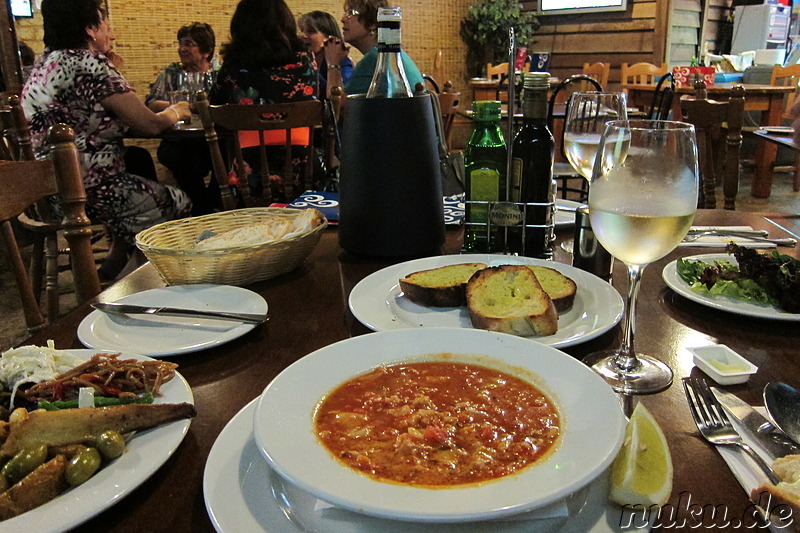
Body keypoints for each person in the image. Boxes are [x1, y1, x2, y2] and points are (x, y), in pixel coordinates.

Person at [22, 0, 193, 280]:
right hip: (80, 191)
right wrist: (176, 110)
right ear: (90, 29)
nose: (111, 34)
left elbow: (91, 117)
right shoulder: (87, 64)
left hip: (45, 190)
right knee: (177, 200)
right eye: (106, 26)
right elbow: (149, 124)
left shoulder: (46, 62)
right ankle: (122, 289)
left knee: (135, 159)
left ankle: (114, 261)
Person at [209, 0, 317, 202]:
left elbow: (214, 107)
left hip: (249, 171)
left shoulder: (234, 65)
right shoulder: (306, 60)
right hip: (305, 168)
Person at [146, 22, 218, 215]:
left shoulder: (219, 73)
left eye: (188, 44)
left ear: (206, 51)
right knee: (176, 157)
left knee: (227, 157)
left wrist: (188, 106)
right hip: (180, 139)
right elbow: (153, 103)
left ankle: (205, 205)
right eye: (180, 43)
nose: (182, 49)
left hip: (214, 139)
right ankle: (203, 210)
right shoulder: (171, 73)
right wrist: (181, 107)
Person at [323, 0, 423, 97]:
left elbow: (338, 106)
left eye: (351, 13)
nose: (343, 19)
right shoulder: (392, 55)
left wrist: (333, 63)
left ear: (373, 24)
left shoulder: (375, 60)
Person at [298, 11, 353, 96]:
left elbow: (342, 94)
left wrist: (309, 69)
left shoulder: (343, 62)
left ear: (329, 37)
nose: (303, 35)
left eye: (311, 31)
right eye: (302, 31)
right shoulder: (301, 62)